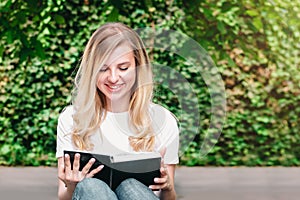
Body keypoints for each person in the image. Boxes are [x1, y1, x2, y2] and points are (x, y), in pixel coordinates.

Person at [56, 22, 179, 200]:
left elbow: (168, 196)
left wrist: (168, 188)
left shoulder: (163, 120)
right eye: (103, 69)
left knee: (131, 187)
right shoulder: (72, 118)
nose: (113, 78)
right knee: (91, 187)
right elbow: (63, 195)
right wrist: (73, 185)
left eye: (123, 68)